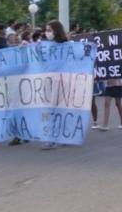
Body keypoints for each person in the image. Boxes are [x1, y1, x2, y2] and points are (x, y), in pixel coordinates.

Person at [41, 20, 69, 149]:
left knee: (59, 109)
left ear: (56, 31)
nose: (47, 33)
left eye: (49, 30)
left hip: (61, 79)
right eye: (46, 30)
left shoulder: (67, 45)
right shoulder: (45, 45)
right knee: (49, 108)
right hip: (48, 79)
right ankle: (53, 137)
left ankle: (58, 137)